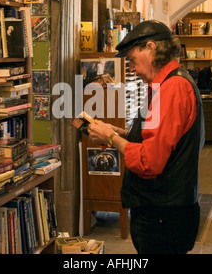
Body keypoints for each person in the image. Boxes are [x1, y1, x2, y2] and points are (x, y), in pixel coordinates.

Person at [86, 20, 205, 254]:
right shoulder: (169, 84)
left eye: (131, 60)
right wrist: (122, 133)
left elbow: (149, 162)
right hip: (166, 210)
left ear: (150, 48)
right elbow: (164, 140)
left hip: (162, 215)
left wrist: (111, 138)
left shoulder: (172, 89)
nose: (131, 68)